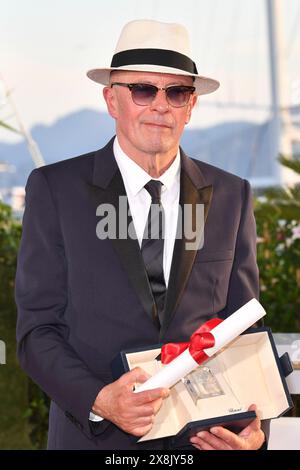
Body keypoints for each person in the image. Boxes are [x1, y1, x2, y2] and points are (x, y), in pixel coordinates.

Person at [15, 19, 268, 450]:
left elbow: (243, 328)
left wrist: (252, 431)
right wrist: (99, 400)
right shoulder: (56, 190)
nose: (160, 106)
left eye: (176, 92)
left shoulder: (232, 195)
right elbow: (37, 331)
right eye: (143, 90)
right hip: (93, 441)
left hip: (199, 445)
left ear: (191, 106)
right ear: (112, 100)